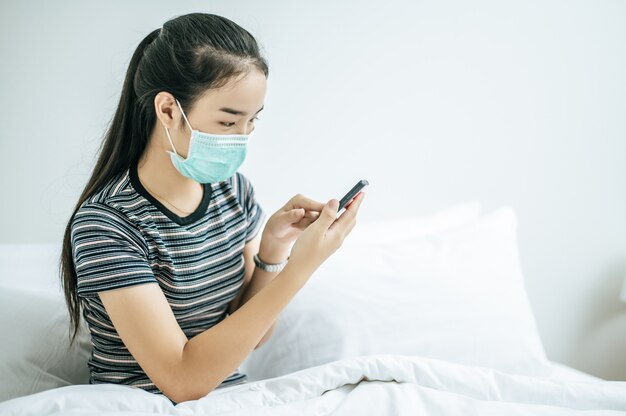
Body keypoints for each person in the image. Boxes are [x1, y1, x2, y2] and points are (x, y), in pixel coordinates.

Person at [59, 12, 365, 405]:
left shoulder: (232, 192)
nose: (242, 138)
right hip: (139, 404)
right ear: (168, 110)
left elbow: (255, 332)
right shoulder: (106, 225)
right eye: (227, 121)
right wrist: (301, 267)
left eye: (252, 121)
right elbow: (183, 380)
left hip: (228, 397)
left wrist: (273, 251)